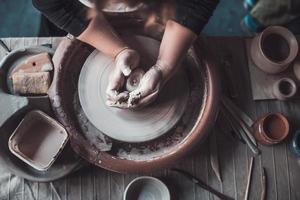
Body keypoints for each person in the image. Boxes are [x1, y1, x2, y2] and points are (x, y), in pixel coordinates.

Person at [32, 0, 219, 108]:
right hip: (73, 7)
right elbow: (52, 3)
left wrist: (164, 67)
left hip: (158, 10)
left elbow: (199, 2)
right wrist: (118, 51)